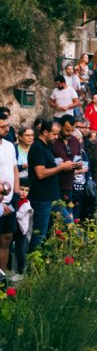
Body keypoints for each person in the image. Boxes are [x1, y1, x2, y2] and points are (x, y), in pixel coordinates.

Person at [28, 118, 76, 250]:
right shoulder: (37, 148)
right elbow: (40, 173)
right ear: (45, 132)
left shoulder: (47, 146)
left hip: (53, 196)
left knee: (70, 226)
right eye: (54, 134)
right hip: (42, 198)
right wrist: (61, 167)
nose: (56, 137)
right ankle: (33, 261)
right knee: (40, 234)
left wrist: (66, 166)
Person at [52, 115, 83, 221]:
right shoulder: (53, 140)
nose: (70, 133)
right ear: (60, 127)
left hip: (69, 185)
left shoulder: (75, 140)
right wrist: (62, 166)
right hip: (54, 184)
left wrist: (77, 165)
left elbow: (79, 159)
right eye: (67, 130)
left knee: (68, 215)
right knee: (57, 218)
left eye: (72, 130)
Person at [0, 110, 19, 274]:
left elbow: (14, 169)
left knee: (6, 238)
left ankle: (3, 274)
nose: (7, 129)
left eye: (7, 125)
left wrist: (17, 192)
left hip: (11, 198)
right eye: (2, 127)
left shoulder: (9, 146)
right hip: (0, 200)